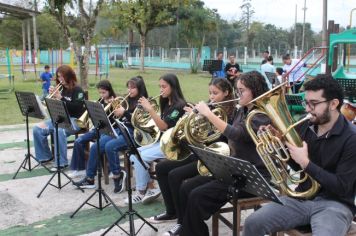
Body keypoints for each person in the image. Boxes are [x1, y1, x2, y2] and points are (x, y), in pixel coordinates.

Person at [243, 74, 356, 236]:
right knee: (253, 223)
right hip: (301, 199)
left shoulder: (352, 138)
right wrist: (279, 146)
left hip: (335, 204)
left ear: (333, 104)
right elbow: (297, 166)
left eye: (314, 104)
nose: (307, 109)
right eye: (306, 103)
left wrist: (306, 163)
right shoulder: (305, 125)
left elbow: (342, 187)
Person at [178, 71, 271, 236]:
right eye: (237, 90)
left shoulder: (260, 115)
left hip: (252, 176)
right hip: (235, 169)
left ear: (255, 90)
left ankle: (191, 231)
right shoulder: (242, 110)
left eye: (242, 90)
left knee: (197, 196)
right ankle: (187, 229)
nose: (238, 94)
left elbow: (237, 134)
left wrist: (208, 113)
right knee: (187, 188)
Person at [150, 78, 236, 236]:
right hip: (201, 152)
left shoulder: (232, 113)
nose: (211, 96)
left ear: (227, 93)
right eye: (210, 92)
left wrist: (204, 117)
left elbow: (221, 140)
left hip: (214, 157)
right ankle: (172, 211)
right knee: (162, 167)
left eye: (215, 93)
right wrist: (194, 118)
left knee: (176, 176)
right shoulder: (211, 107)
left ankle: (182, 222)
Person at [73, 76, 149, 193]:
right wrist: (115, 107)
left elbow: (140, 123)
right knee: (95, 146)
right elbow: (118, 117)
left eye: (133, 88)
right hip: (120, 129)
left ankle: (118, 176)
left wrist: (125, 113)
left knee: (110, 146)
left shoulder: (144, 102)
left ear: (140, 88)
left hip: (135, 134)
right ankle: (90, 179)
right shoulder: (128, 100)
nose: (130, 90)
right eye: (128, 87)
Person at [127, 73, 186, 204]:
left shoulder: (179, 105)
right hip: (162, 141)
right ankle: (150, 186)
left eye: (164, 86)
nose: (161, 90)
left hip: (173, 145)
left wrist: (150, 110)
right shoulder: (167, 103)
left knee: (139, 157)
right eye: (160, 86)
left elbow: (164, 126)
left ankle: (141, 191)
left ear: (173, 87)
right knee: (133, 154)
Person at [33, 65, 85, 171]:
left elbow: (77, 108)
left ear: (69, 76)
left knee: (59, 130)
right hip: (60, 117)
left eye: (62, 77)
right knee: (37, 128)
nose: (60, 79)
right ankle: (46, 157)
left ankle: (61, 163)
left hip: (75, 119)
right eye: (58, 77)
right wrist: (51, 98)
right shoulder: (60, 89)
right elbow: (55, 108)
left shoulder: (78, 90)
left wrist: (61, 98)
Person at [68, 79, 117, 179]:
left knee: (96, 146)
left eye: (104, 92)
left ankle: (96, 171)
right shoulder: (100, 101)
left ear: (110, 90)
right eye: (100, 92)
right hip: (98, 129)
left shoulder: (115, 101)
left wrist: (112, 107)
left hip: (109, 130)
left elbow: (116, 120)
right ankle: (79, 169)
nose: (102, 95)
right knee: (78, 141)